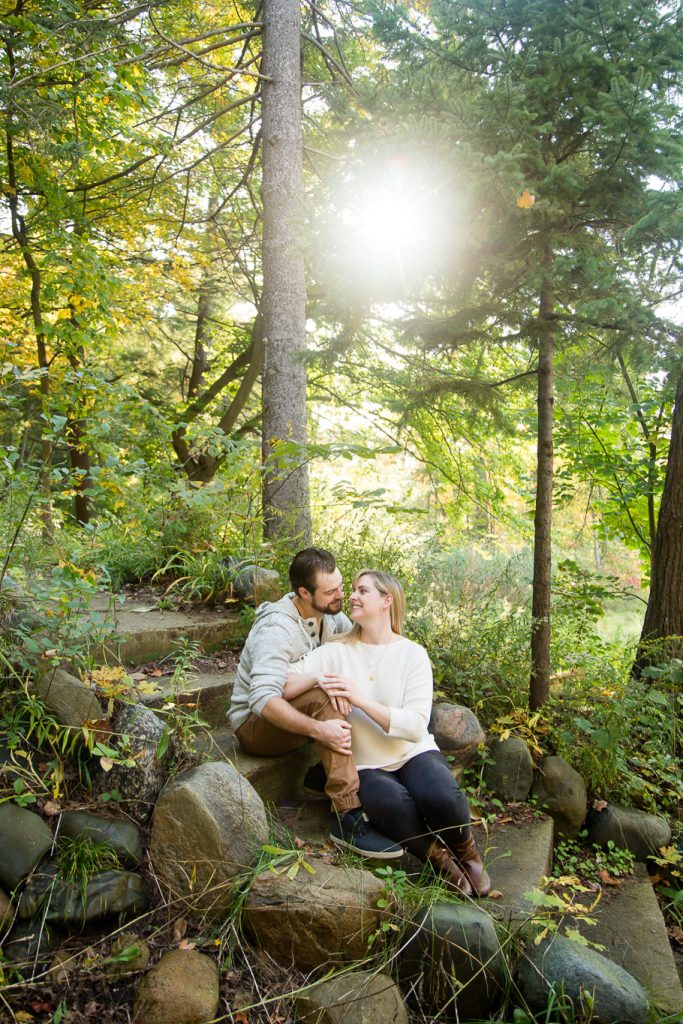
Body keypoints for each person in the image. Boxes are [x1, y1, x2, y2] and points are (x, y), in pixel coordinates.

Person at [286, 569, 491, 896]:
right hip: (368, 765)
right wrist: (317, 679)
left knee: (442, 797)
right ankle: (439, 859)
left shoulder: (412, 654)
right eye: (353, 589)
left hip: (414, 754)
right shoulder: (335, 651)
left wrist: (358, 699)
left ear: (386, 601)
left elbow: (415, 725)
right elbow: (284, 681)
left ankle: (466, 852)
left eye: (362, 590)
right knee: (390, 805)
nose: (352, 596)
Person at [228, 547, 403, 860]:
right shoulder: (276, 629)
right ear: (304, 593)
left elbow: (361, 646)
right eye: (331, 591)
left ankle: (325, 776)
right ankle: (348, 817)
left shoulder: (330, 616)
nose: (341, 596)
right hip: (255, 727)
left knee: (344, 685)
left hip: (295, 709)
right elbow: (263, 699)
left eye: (340, 586)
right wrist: (319, 730)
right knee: (327, 697)